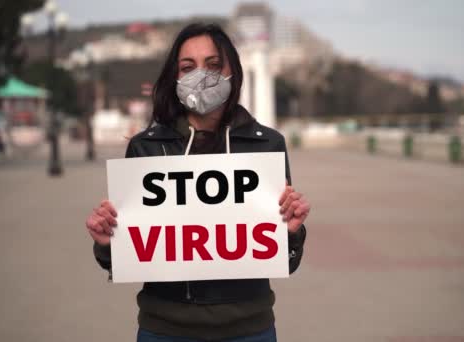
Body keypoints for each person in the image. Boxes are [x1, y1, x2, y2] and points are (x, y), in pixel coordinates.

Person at [86, 23, 311, 342]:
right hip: (164, 329)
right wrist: (106, 241)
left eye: (213, 64)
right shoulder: (145, 147)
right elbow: (127, 256)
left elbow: (286, 262)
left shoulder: (267, 145)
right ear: (175, 77)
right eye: (187, 67)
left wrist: (293, 232)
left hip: (249, 328)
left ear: (233, 71)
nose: (200, 74)